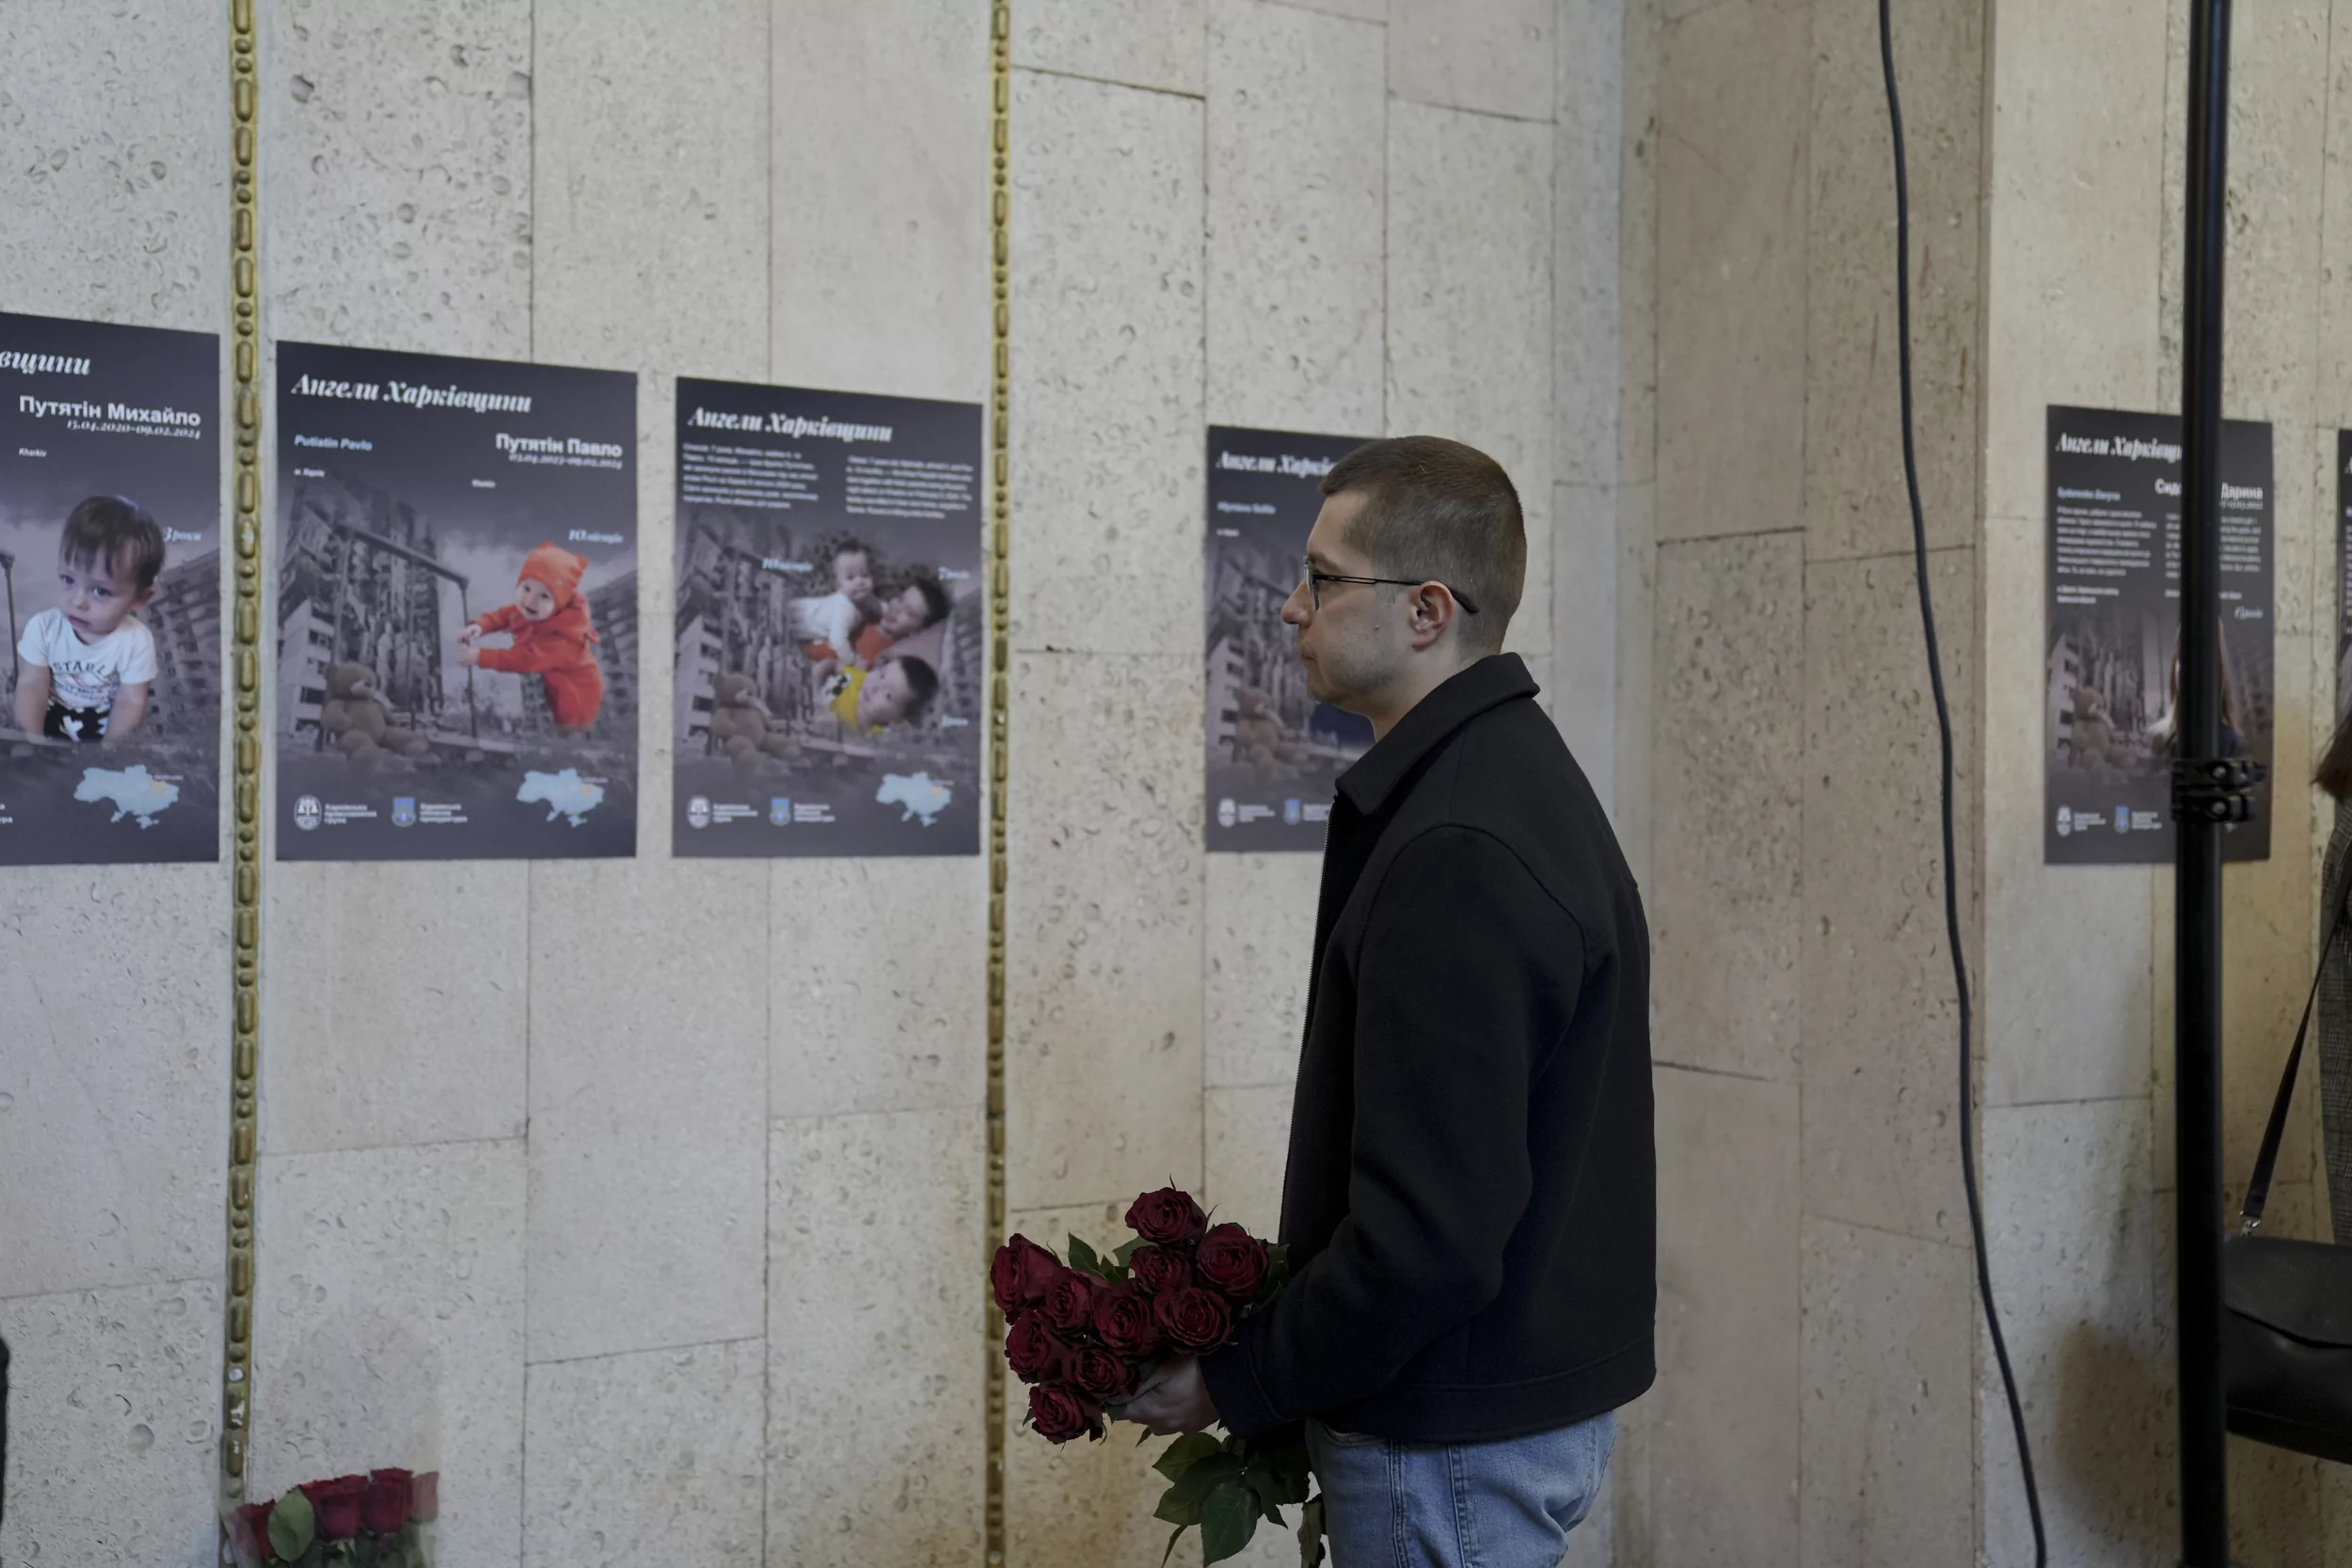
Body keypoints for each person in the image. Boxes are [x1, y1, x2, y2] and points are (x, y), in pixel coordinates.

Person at [1124, 436, 1655, 1568]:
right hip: (1482, 1416)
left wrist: (1238, 1374)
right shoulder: (1496, 777)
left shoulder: (1460, 839)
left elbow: (1430, 1238)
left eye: (1320, 578)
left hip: (1448, 1439)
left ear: (1425, 610)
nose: (1286, 607)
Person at [11, 495, 166, 743]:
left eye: (100, 590)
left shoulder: (136, 640)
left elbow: (130, 700)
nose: (78, 601)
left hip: (104, 725)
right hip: (50, 719)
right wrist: (31, 741)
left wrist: (109, 751)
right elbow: (31, 685)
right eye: (68, 580)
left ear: (139, 598)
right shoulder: (43, 627)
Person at [458, 542, 605, 736]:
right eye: (526, 588)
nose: (529, 601)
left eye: (544, 596)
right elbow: (503, 615)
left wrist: (480, 656)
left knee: (569, 727)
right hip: (555, 680)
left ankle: (577, 738)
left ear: (559, 603)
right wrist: (480, 625)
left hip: (579, 693)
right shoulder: (532, 611)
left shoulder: (563, 638)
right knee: (552, 709)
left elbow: (526, 659)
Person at [790, 538, 881, 662]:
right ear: (838, 584)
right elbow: (837, 638)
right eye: (850, 577)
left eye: (865, 575)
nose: (860, 582)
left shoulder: (867, 598)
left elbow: (880, 607)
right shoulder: (845, 608)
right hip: (801, 618)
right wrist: (851, 659)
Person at [823, 649, 936, 736]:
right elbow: (831, 665)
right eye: (882, 674)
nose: (875, 686)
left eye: (888, 695)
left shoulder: (875, 737)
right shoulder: (857, 677)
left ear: (899, 719)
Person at [851, 574, 952, 667]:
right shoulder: (867, 614)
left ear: (917, 632)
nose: (898, 609)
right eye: (900, 599)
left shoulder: (887, 653)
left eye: (909, 613)